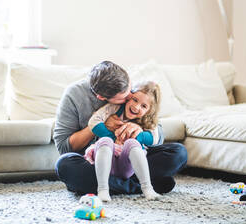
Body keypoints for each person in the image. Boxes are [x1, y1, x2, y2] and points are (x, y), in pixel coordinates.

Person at [54, 61, 187, 196]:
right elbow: (64, 147)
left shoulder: (125, 85)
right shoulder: (74, 95)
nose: (131, 97)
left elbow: (157, 134)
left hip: (131, 157)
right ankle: (140, 185)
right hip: (96, 161)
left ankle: (105, 186)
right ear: (102, 97)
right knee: (64, 165)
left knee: (179, 153)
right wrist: (103, 125)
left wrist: (139, 129)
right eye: (125, 97)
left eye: (131, 90)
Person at [85, 81, 162, 201]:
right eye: (135, 100)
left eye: (144, 106)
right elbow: (93, 121)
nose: (136, 107)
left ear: (149, 111)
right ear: (129, 96)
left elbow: (155, 138)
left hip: (126, 165)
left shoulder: (147, 121)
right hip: (105, 158)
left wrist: (138, 136)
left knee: (133, 144)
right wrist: (112, 137)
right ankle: (103, 189)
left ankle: (148, 188)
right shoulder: (113, 108)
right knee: (104, 141)